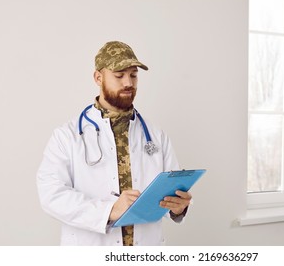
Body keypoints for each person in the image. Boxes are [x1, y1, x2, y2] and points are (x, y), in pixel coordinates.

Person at [37, 41, 191, 246]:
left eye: (133, 75)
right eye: (119, 75)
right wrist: (109, 210)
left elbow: (171, 188)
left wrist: (178, 207)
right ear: (98, 78)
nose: (128, 82)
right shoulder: (67, 136)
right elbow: (51, 195)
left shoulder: (155, 136)